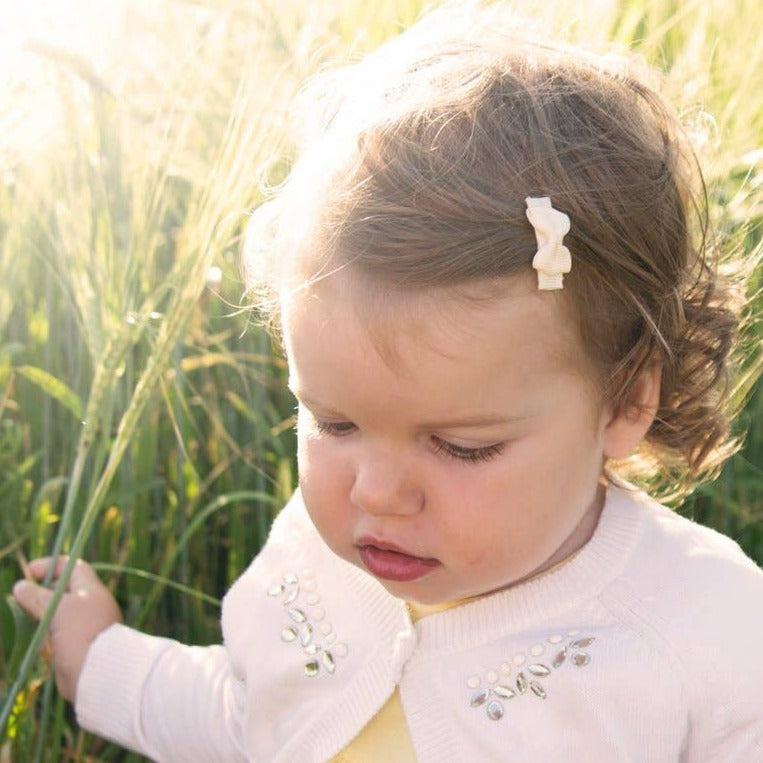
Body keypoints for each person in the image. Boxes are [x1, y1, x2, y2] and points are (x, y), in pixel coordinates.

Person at [13, 3, 763, 761]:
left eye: (461, 446)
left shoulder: (705, 629)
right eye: (333, 423)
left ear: (627, 398)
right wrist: (108, 665)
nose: (374, 492)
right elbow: (251, 719)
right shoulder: (317, 562)